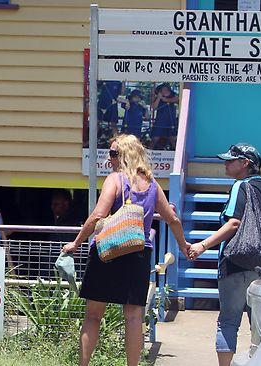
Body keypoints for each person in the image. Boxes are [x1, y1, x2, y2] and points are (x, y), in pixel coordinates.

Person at [62, 134, 190, 366]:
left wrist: (76, 242)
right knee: (133, 317)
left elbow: (98, 215)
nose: (109, 158)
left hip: (108, 252)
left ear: (124, 155)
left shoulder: (116, 179)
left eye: (113, 153)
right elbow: (173, 219)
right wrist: (183, 246)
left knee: (92, 315)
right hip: (139, 254)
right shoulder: (152, 184)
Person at [188, 143, 261, 366]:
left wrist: (202, 245)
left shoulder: (241, 186)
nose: (225, 164)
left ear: (245, 164)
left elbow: (234, 223)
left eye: (230, 160)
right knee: (260, 328)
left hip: (236, 265)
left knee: (228, 322)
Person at [150, 83, 178, 150]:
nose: (164, 91)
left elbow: (177, 99)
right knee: (155, 138)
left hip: (171, 121)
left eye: (166, 89)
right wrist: (159, 98)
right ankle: (150, 152)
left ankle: (176, 152)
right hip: (160, 121)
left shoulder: (173, 96)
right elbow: (153, 107)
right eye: (162, 90)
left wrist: (165, 99)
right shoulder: (158, 98)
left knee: (173, 138)